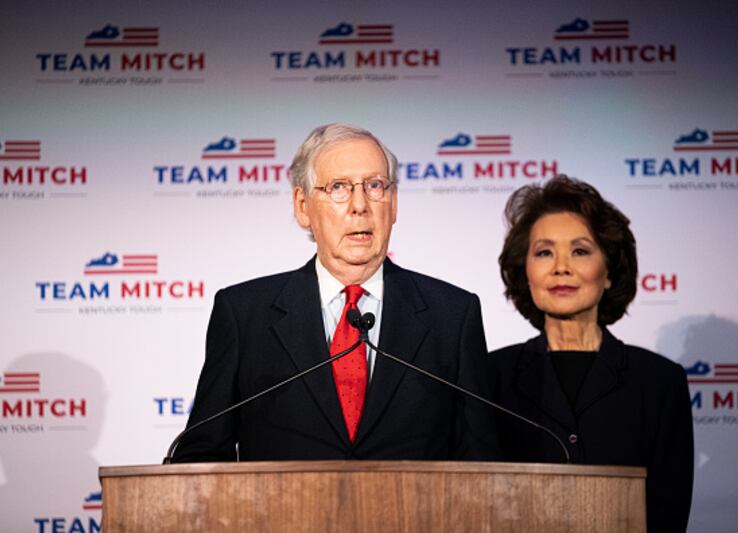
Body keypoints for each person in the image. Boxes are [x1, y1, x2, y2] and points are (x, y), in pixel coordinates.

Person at [173, 123, 498, 462]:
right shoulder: (244, 316)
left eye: (374, 186)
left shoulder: (453, 316)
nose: (359, 205)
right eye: (338, 187)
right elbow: (201, 456)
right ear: (303, 206)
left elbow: (482, 462)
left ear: (393, 204)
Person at [491, 175, 693, 532]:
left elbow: (668, 514)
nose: (561, 267)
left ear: (609, 272)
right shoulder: (491, 375)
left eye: (580, 251)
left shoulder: (659, 381)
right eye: (544, 252)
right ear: (525, 272)